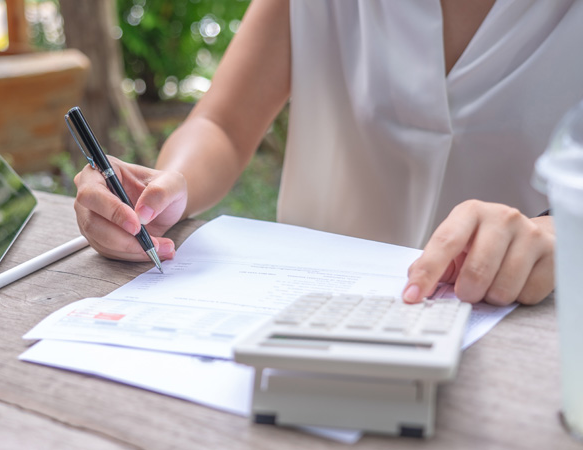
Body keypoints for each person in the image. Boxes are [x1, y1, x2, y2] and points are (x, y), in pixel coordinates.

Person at [73, 0, 583, 306]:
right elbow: (221, 123)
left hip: (513, 325)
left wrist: (556, 234)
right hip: (301, 309)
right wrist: (165, 186)